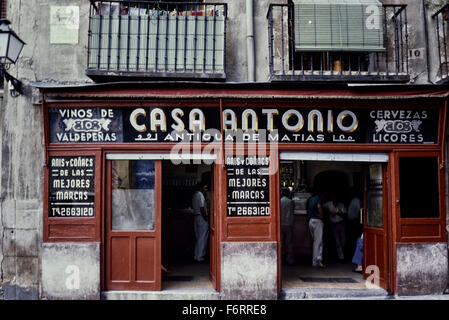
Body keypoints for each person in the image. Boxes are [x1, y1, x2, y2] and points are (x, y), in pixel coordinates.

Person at [323, 194, 347, 262]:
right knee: (337, 241)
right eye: (333, 198)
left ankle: (341, 253)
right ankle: (341, 257)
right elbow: (322, 207)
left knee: (343, 240)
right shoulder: (328, 204)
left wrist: (337, 213)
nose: (334, 200)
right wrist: (329, 213)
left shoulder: (341, 205)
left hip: (341, 223)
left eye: (335, 198)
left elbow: (345, 214)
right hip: (333, 224)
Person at [307, 190, 325, 268]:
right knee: (318, 242)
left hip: (311, 220)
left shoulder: (310, 199)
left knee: (316, 241)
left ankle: (318, 260)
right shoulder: (318, 199)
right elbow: (319, 207)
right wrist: (321, 215)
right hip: (317, 221)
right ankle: (316, 261)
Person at [192, 182, 209, 262]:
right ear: (201, 188)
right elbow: (202, 208)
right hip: (201, 217)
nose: (206, 190)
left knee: (198, 237)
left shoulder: (195, 195)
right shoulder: (201, 195)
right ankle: (200, 257)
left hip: (196, 217)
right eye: (205, 188)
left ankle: (196, 255)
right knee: (202, 237)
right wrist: (206, 218)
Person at [280, 188, 295, 265]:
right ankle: (289, 260)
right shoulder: (291, 202)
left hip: (281, 224)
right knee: (289, 243)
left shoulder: (279, 201)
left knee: (281, 242)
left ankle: (280, 259)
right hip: (289, 223)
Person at [347, 188, 362, 259]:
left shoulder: (356, 200)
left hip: (355, 222)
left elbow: (359, 211)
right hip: (351, 221)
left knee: (355, 238)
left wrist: (360, 222)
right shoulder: (352, 200)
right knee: (352, 238)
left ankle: (356, 256)